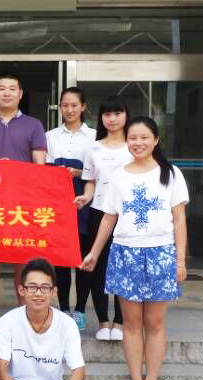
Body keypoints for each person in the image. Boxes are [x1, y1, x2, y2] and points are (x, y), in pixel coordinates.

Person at [80, 116, 188, 380]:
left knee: (155, 323)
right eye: (133, 138)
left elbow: (179, 219)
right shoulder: (119, 176)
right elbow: (109, 217)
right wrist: (94, 252)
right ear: (126, 141)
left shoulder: (171, 174)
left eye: (144, 137)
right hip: (125, 253)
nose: (138, 143)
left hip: (160, 253)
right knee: (131, 323)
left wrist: (179, 260)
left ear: (156, 140)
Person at [0, 72, 47, 318]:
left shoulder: (34, 125)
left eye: (12, 88)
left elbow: (39, 166)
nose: (7, 93)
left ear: (20, 94)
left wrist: (13, 169)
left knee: (22, 256)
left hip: (22, 201)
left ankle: (22, 311)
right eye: (2, 88)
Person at [74, 96, 132, 341]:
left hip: (128, 215)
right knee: (97, 268)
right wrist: (86, 197)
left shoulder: (134, 145)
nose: (112, 119)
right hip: (99, 212)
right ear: (101, 118)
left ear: (126, 115)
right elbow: (91, 182)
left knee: (123, 269)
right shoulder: (94, 148)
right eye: (108, 114)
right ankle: (103, 322)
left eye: (117, 113)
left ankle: (119, 322)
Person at [45, 87, 96, 331]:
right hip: (58, 200)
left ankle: (80, 310)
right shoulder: (50, 136)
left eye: (74, 105)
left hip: (86, 199)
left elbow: (97, 171)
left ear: (83, 106)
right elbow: (43, 169)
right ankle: (64, 308)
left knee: (84, 257)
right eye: (65, 105)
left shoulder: (94, 136)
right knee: (61, 259)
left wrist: (77, 172)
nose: (69, 109)